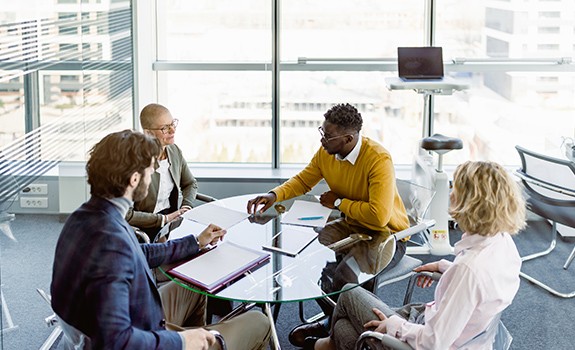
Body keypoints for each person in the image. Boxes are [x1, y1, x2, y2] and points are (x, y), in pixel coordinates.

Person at [51, 130, 270, 350]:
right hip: (139, 339)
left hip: (137, 320)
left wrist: (195, 242)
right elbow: (116, 341)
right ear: (134, 179)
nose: (154, 172)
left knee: (192, 287)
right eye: (150, 169)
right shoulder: (111, 245)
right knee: (260, 322)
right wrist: (183, 341)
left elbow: (139, 253)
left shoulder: (86, 217)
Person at [308, 160, 526, 350]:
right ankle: (333, 343)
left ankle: (325, 345)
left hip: (428, 338)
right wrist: (445, 267)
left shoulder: (469, 270)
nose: (450, 193)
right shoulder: (502, 243)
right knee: (343, 330)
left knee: (348, 293)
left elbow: (434, 343)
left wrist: (394, 325)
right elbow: (485, 288)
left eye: (455, 188)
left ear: (471, 203)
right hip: (445, 325)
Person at [246, 103, 409, 345]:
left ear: (348, 138)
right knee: (306, 259)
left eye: (328, 135)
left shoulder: (378, 159)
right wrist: (274, 195)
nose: (322, 140)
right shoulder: (327, 153)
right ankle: (334, 320)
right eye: (322, 132)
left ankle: (346, 333)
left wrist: (339, 202)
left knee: (344, 275)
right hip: (351, 225)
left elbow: (379, 216)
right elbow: (304, 179)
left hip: (386, 236)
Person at [125, 103, 198, 242]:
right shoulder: (134, 161)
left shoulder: (174, 151)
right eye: (165, 128)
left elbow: (190, 183)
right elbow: (126, 214)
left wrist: (186, 206)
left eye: (173, 124)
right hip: (141, 229)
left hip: (171, 224)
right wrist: (164, 219)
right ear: (148, 133)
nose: (172, 130)